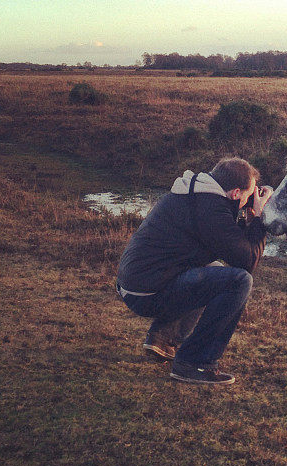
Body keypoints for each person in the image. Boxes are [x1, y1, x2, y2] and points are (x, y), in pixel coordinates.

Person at [116, 157, 272, 385]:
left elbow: (225, 240)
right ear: (236, 193)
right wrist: (258, 220)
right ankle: (194, 363)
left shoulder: (198, 196)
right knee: (239, 281)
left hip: (138, 285)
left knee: (214, 271)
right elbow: (247, 261)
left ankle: (162, 337)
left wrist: (248, 222)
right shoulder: (211, 208)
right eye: (248, 196)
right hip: (147, 294)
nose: (250, 201)